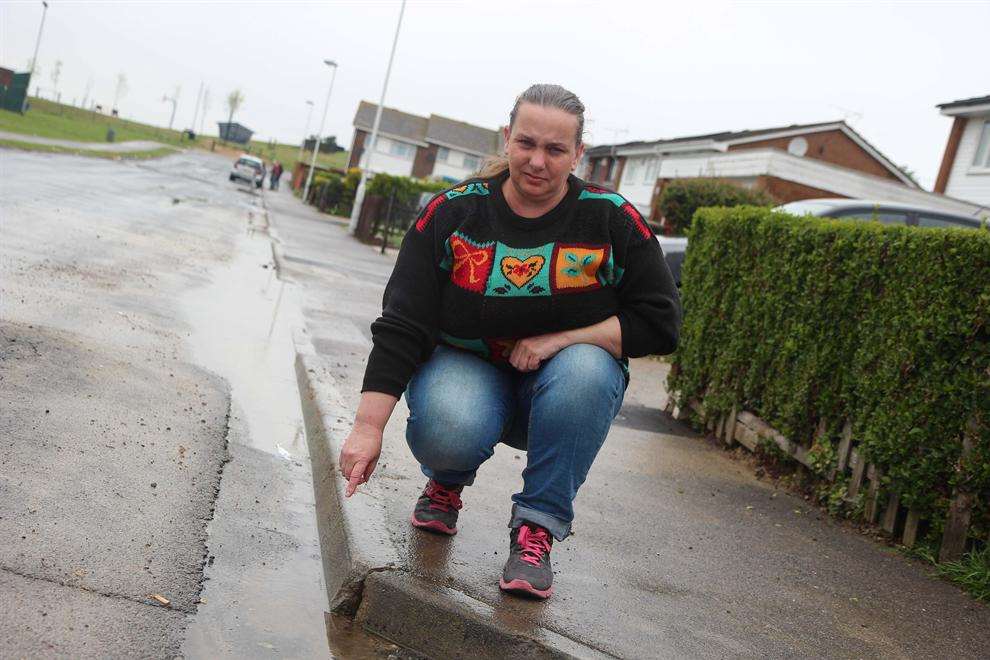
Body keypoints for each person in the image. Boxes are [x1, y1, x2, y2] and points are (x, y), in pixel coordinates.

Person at [338, 83, 681, 600]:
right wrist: (367, 427)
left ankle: (535, 529)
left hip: (563, 388)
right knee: (451, 425)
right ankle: (446, 481)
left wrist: (561, 339)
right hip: (468, 372)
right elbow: (403, 322)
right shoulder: (454, 214)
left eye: (555, 149)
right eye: (526, 143)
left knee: (588, 366)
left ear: (577, 153)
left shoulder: (611, 220)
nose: (537, 161)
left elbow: (660, 323)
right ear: (506, 139)